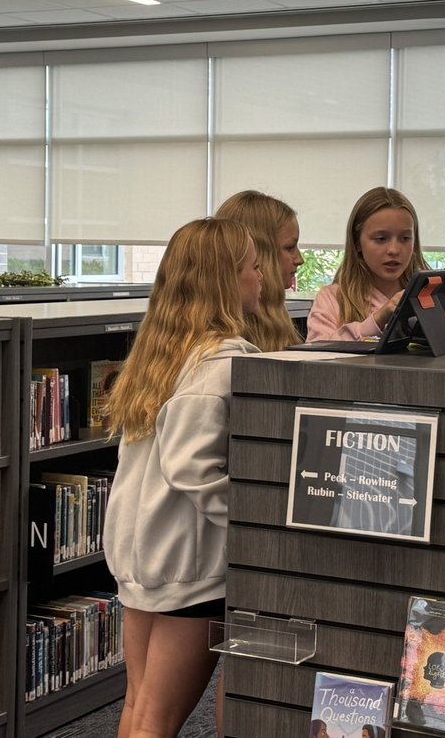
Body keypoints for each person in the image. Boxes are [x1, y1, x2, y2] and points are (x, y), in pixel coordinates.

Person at [103, 217, 262, 738]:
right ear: (225, 281)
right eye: (253, 268)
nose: (262, 279)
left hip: (144, 556)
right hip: (187, 567)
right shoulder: (220, 365)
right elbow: (191, 468)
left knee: (140, 709)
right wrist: (254, 521)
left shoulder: (162, 353)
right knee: (158, 718)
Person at [306, 186, 429, 341]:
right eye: (381, 239)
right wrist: (377, 320)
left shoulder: (429, 295)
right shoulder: (332, 299)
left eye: (405, 238)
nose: (394, 250)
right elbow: (315, 356)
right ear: (357, 242)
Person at [215, 189, 304, 351]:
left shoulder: (275, 320)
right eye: (290, 247)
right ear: (259, 253)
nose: (300, 260)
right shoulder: (225, 350)